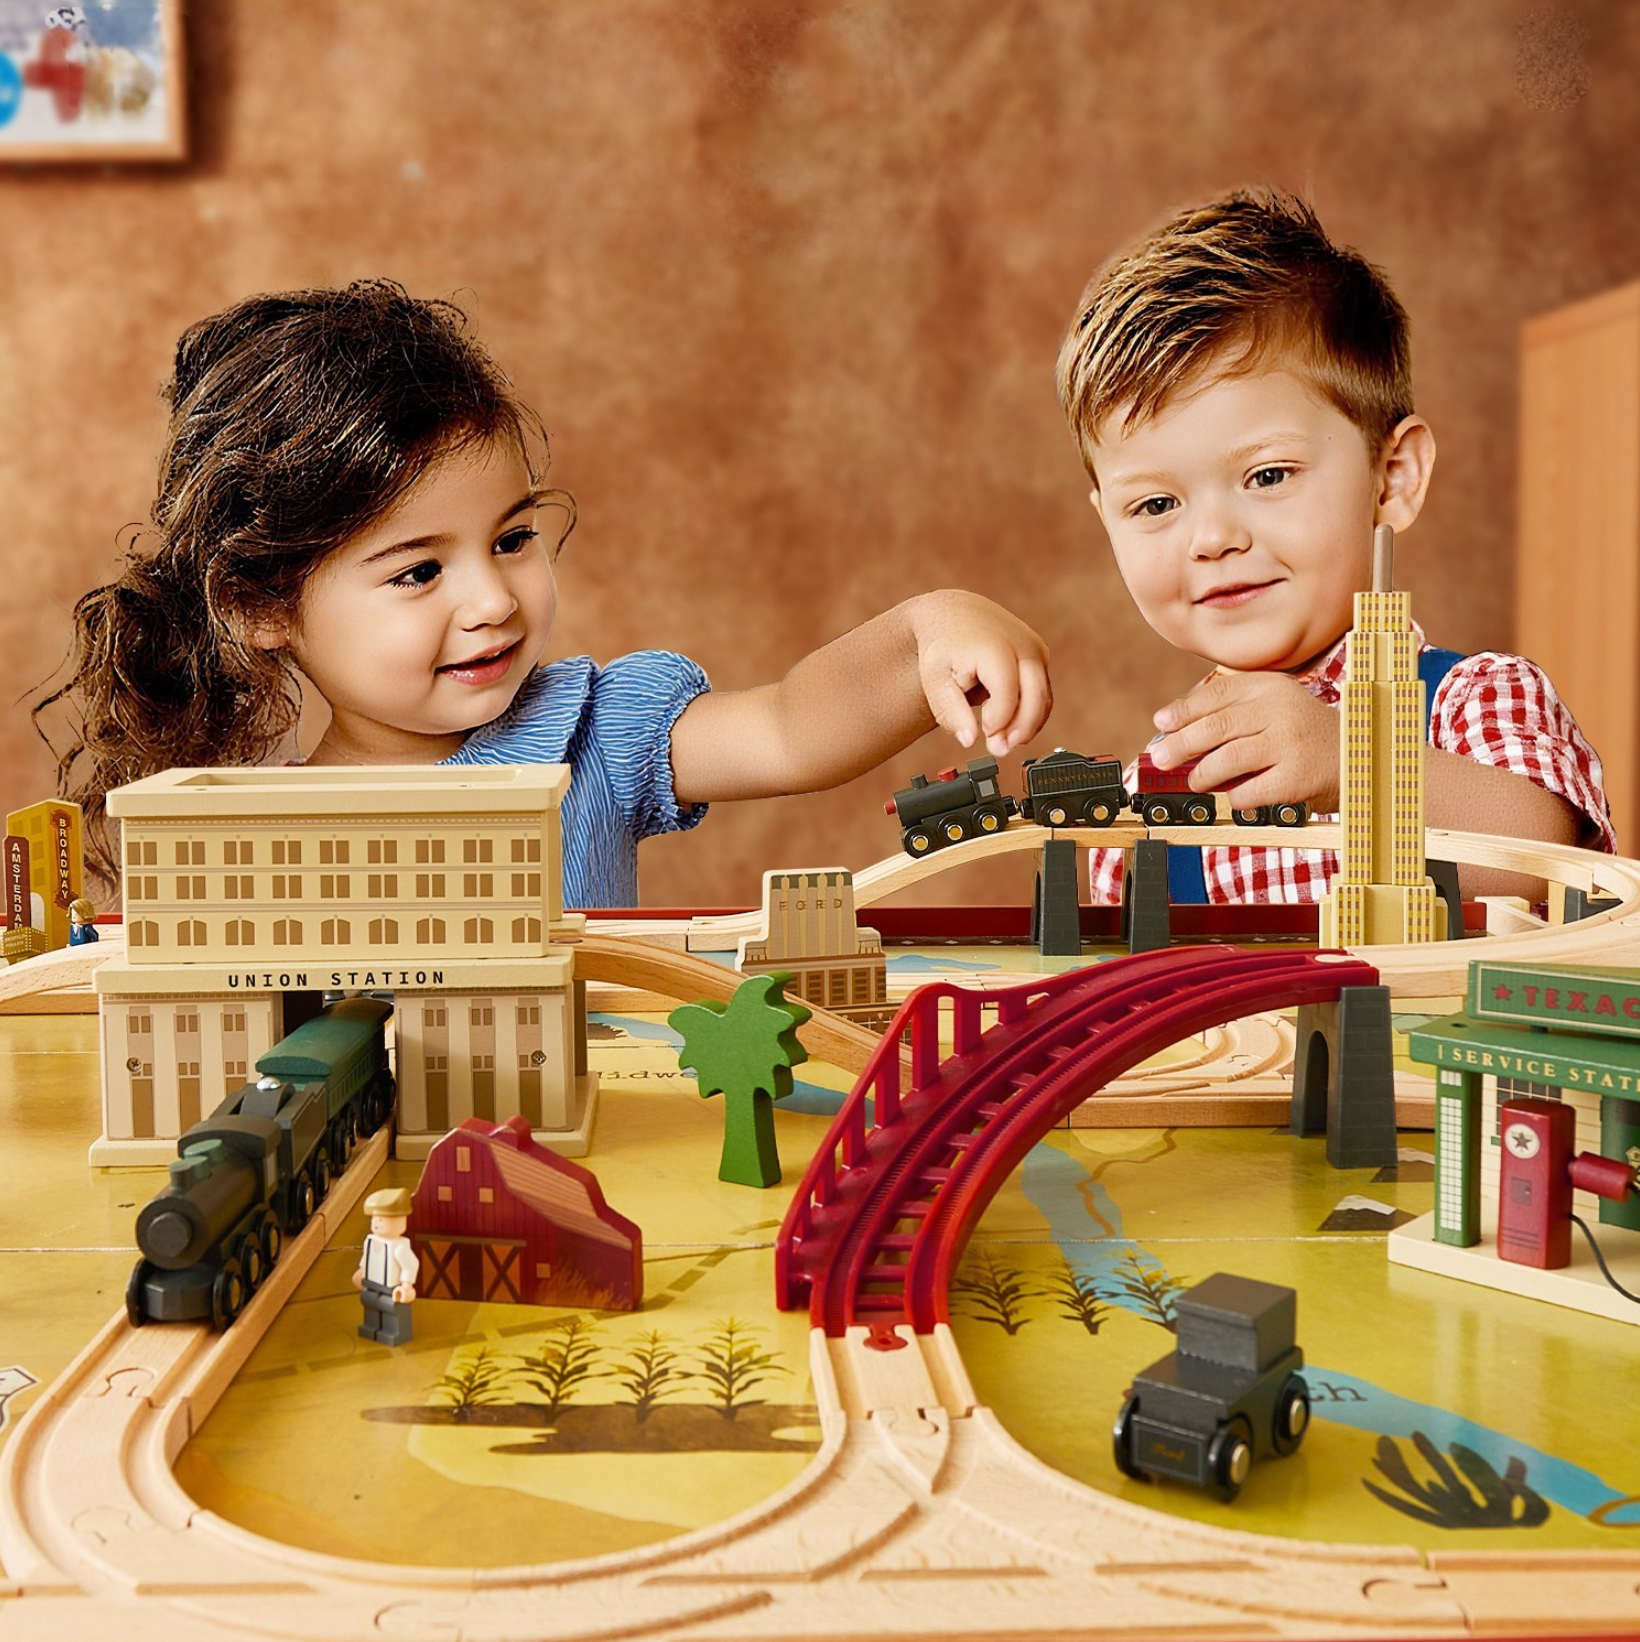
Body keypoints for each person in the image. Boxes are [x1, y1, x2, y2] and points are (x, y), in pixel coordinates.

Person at [35, 281, 1051, 906]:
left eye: (513, 538)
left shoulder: (591, 739)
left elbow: (790, 727)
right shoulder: (239, 826)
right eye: (419, 570)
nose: (491, 599)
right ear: (260, 604)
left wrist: (925, 630)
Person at [1054, 189, 1613, 905]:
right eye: (1157, 503)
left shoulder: (1475, 701)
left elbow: (1546, 865)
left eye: (1267, 475)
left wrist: (1353, 759)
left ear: (1393, 478)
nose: (1215, 538)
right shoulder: (1151, 792)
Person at [354, 1186, 418, 1346]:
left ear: (399, 1221)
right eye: (374, 1219)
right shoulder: (370, 1241)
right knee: (370, 1304)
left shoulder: (399, 1246)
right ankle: (371, 1327)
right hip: (371, 1283)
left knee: (390, 1309)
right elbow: (367, 1259)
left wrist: (406, 1285)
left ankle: (393, 1332)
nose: (376, 1224)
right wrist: (361, 1272)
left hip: (391, 1289)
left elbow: (410, 1265)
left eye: (381, 1220)